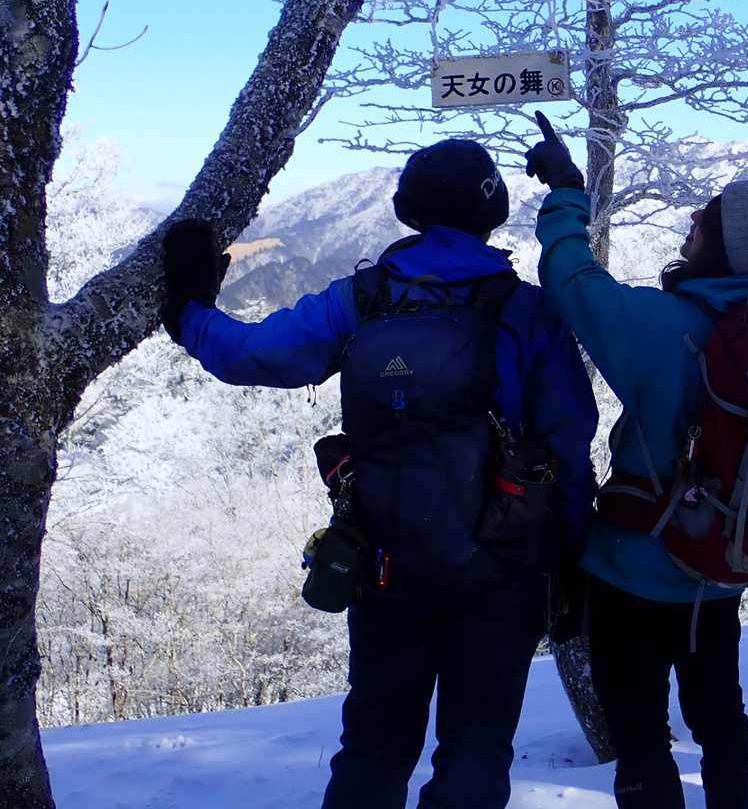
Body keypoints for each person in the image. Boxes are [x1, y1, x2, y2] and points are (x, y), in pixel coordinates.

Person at [159, 138, 598, 809]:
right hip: (502, 571)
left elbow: (251, 354)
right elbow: (570, 437)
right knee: (476, 753)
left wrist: (189, 309)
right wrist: (570, 548)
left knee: (374, 748)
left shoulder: (363, 300)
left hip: (385, 562)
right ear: (492, 211)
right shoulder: (528, 312)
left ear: (408, 209)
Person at [525, 114, 748, 809]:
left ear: (726, 246)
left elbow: (572, 281)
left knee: (639, 733)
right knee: (721, 716)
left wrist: (567, 194)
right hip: (722, 564)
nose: (692, 221)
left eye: (705, 219)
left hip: (635, 565)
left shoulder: (664, 327)